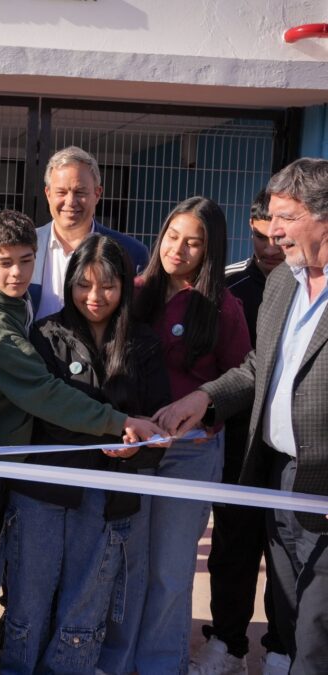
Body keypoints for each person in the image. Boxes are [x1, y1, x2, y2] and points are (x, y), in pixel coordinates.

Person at [0, 209, 162, 675]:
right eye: (5, 262)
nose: (16, 272)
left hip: (9, 458)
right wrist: (117, 421)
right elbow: (44, 393)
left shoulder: (17, 303)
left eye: (26, 260)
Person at [154, 158, 328, 675]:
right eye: (270, 219)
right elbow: (258, 366)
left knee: (318, 623)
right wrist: (203, 399)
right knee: (291, 605)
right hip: (275, 473)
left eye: (285, 217)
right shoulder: (283, 285)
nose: (272, 232)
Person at [0, 234, 170, 675]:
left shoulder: (145, 344)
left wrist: (134, 451)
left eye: (108, 286)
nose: (95, 297)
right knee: (29, 597)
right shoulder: (45, 334)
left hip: (108, 499)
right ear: (71, 282)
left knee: (84, 604)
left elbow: (156, 429)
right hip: (43, 492)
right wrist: (113, 424)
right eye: (84, 284)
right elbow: (43, 414)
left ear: (126, 286)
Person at [99, 196, 251, 675]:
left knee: (170, 570)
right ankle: (115, 661)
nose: (179, 250)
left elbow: (244, 374)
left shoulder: (224, 307)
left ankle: (163, 664)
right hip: (133, 452)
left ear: (211, 250)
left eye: (194, 243)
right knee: (127, 564)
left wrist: (204, 408)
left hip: (191, 455)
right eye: (172, 236)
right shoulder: (134, 291)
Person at [191, 190, 289, 675]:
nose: (271, 245)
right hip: (236, 443)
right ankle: (227, 643)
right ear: (250, 225)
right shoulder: (227, 287)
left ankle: (281, 648)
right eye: (261, 233)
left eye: (280, 233)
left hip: (294, 447)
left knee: (288, 550)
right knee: (233, 547)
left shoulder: (312, 285)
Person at [29, 146, 149, 318]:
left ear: (97, 194)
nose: (70, 202)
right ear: (48, 194)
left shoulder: (132, 253)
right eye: (61, 192)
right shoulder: (25, 246)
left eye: (80, 192)